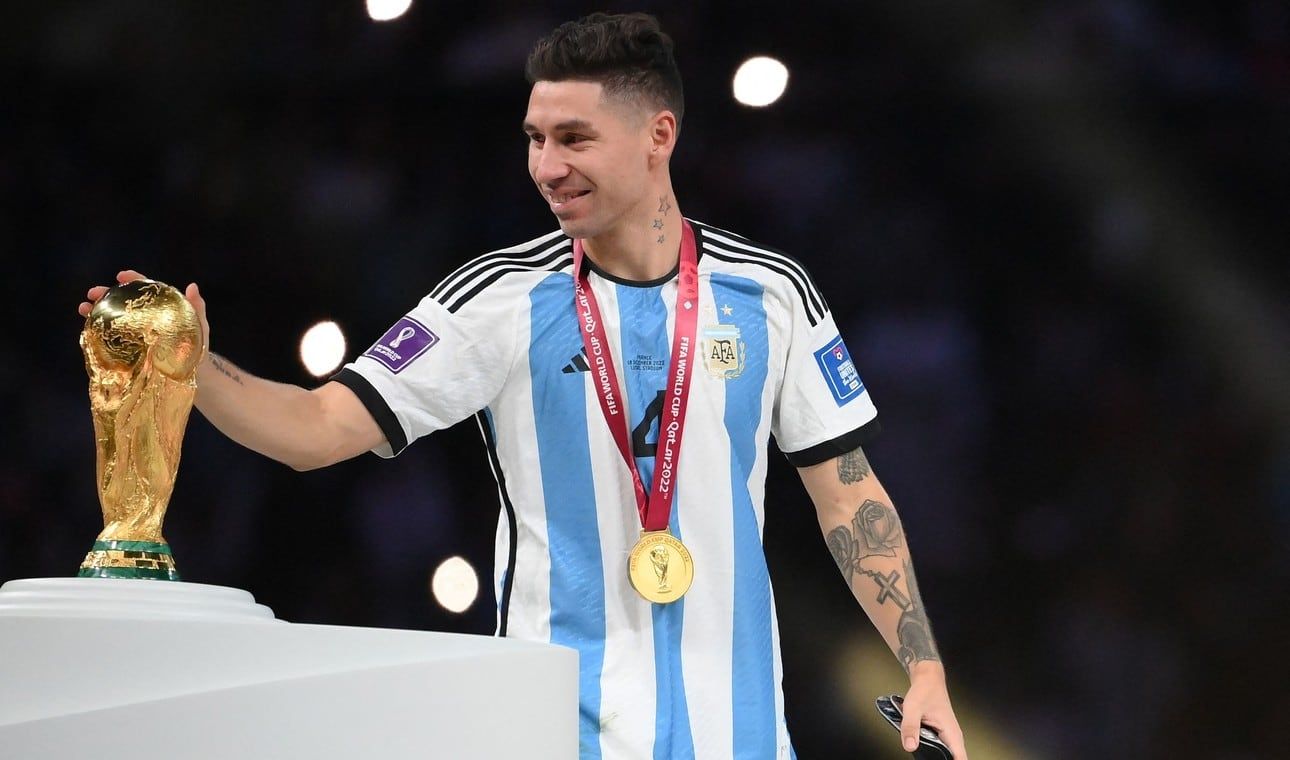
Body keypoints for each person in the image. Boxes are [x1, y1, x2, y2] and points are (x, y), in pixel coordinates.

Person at [79, 12, 968, 759]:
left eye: (575, 138)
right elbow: (318, 429)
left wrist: (922, 666)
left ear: (659, 135)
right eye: (536, 140)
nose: (546, 166)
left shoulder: (771, 294)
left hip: (741, 736)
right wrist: (193, 367)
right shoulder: (498, 299)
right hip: (554, 734)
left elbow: (849, 497)